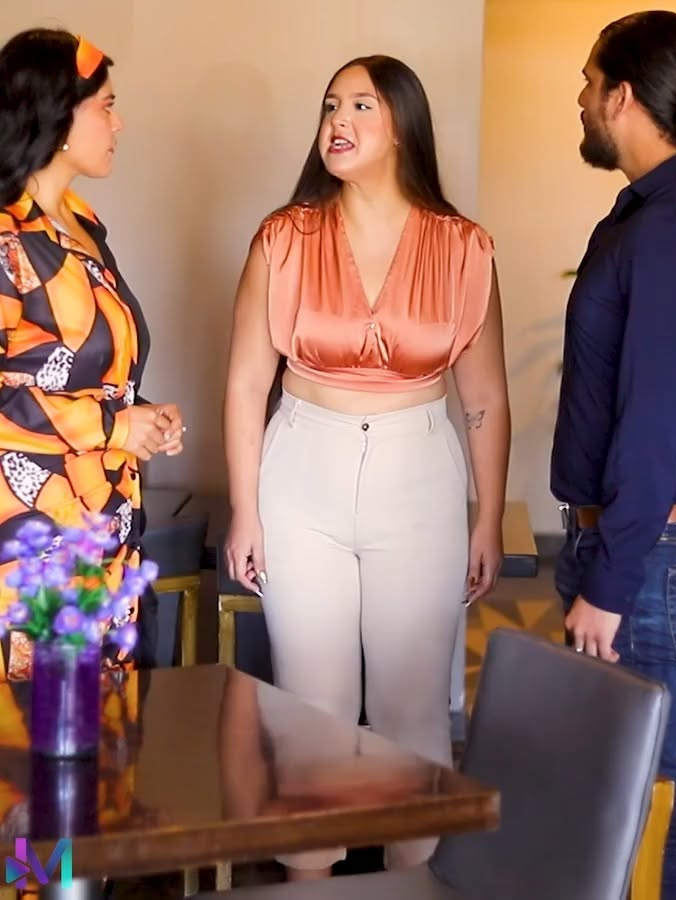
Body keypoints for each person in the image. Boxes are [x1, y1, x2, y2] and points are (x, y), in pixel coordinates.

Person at [224, 53, 510, 879]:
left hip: (418, 472)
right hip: (300, 470)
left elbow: (486, 399)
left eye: (360, 106)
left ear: (403, 127)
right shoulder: (283, 238)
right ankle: (310, 880)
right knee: (309, 707)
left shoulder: (464, 248)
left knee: (410, 707)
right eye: (329, 107)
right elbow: (245, 384)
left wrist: (488, 517)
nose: (337, 122)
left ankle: (410, 884)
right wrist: (245, 508)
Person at [551, 11, 676, 899]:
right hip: (635, 544)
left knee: (647, 790)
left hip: (649, 555)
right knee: (622, 786)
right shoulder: (658, 213)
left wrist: (610, 582)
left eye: (589, 82)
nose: (579, 99)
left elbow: (657, 420)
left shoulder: (673, 228)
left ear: (622, 96)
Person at [0, 28, 184, 680]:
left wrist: (142, 418)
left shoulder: (82, 225)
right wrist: (114, 426)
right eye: (106, 105)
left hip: (107, 518)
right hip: (33, 531)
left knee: (108, 716)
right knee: (38, 717)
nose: (119, 122)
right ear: (55, 114)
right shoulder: (6, 237)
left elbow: (93, 375)